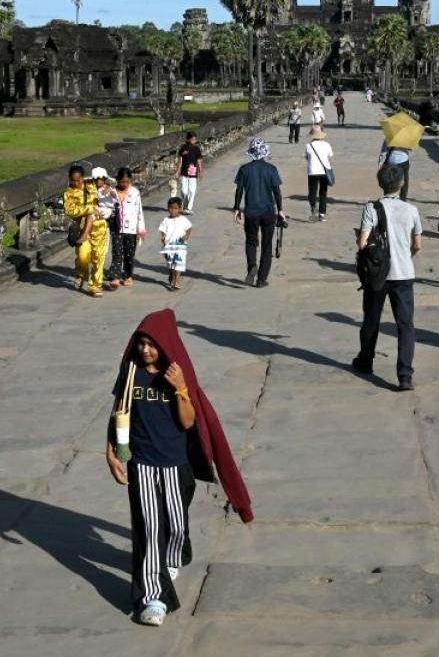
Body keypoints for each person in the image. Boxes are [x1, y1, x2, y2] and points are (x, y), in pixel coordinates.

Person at [106, 308, 253, 626]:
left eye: (152, 344)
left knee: (174, 520)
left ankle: (173, 555)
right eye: (142, 342)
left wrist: (182, 388)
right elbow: (120, 410)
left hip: (175, 463)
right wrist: (111, 452)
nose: (146, 349)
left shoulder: (176, 372)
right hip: (141, 462)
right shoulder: (131, 371)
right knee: (148, 529)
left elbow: (188, 421)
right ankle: (152, 596)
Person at [353, 164, 422, 391]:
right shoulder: (411, 210)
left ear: (380, 183)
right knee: (405, 324)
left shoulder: (371, 208)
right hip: (403, 273)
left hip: (377, 274)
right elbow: (417, 245)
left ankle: (365, 361)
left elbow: (363, 242)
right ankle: (405, 375)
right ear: (401, 183)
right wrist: (405, 256)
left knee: (371, 319)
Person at [233, 138, 286, 288]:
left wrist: (236, 208)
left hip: (251, 212)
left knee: (251, 242)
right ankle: (261, 279)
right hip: (268, 211)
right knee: (267, 245)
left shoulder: (244, 169)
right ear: (264, 152)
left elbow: (239, 191)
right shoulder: (271, 169)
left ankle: (252, 267)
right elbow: (277, 192)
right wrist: (280, 210)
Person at [63, 164, 109, 297]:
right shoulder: (68, 193)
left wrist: (107, 187)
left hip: (99, 226)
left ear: (83, 178)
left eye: (78, 180)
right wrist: (88, 210)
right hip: (82, 228)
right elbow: (70, 211)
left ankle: (95, 286)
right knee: (83, 257)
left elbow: (108, 183)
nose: (76, 183)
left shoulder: (91, 184)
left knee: (98, 258)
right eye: (73, 180)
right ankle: (80, 273)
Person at [110, 167, 146, 288]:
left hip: (131, 228)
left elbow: (139, 211)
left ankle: (127, 275)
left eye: (126, 182)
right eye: (121, 182)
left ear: (130, 180)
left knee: (129, 254)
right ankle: (115, 276)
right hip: (116, 227)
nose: (124, 184)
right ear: (117, 181)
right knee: (117, 252)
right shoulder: (112, 192)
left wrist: (141, 229)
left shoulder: (135, 193)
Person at [159, 197, 192, 291]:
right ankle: (171, 274)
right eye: (171, 208)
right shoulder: (165, 220)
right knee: (171, 264)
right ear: (167, 208)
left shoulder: (183, 219)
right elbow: (162, 230)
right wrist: (163, 236)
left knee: (179, 263)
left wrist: (186, 236)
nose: (173, 210)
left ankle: (177, 281)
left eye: (175, 208)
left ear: (180, 208)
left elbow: (189, 228)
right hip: (168, 246)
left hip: (180, 245)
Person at [306, 126, 333, 222]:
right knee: (323, 192)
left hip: (312, 171)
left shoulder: (309, 146)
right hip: (324, 171)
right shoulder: (327, 144)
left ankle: (313, 208)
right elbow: (330, 156)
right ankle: (322, 214)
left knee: (312, 192)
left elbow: (307, 157)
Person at [175, 131, 203, 215]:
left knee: (192, 190)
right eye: (192, 139)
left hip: (193, 172)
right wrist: (177, 171)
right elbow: (180, 162)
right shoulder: (183, 149)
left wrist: (200, 171)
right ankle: (185, 206)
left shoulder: (197, 149)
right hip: (184, 172)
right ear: (188, 139)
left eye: (195, 139)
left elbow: (199, 161)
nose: (194, 140)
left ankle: (189, 208)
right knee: (184, 191)